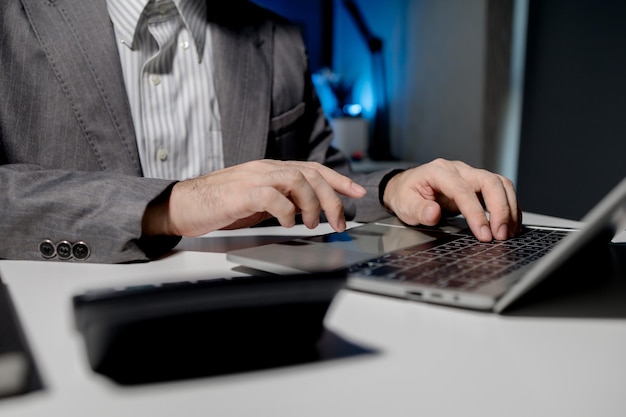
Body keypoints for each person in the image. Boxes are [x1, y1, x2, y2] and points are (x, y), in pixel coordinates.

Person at [0, 0, 521, 264]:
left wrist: (392, 186)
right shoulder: (13, 20)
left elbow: (326, 175)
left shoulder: (279, 39)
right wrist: (171, 204)